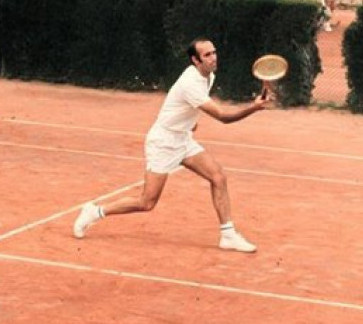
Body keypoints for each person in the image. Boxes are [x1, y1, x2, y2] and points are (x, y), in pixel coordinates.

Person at [73, 38, 273, 253]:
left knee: (218, 176)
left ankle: (228, 235)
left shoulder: (209, 76)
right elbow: (223, 117)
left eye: (214, 52)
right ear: (195, 61)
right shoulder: (191, 84)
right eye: (207, 55)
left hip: (182, 139)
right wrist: (253, 107)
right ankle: (95, 211)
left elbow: (184, 106)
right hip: (163, 142)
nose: (213, 57)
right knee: (147, 202)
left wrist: (189, 123)